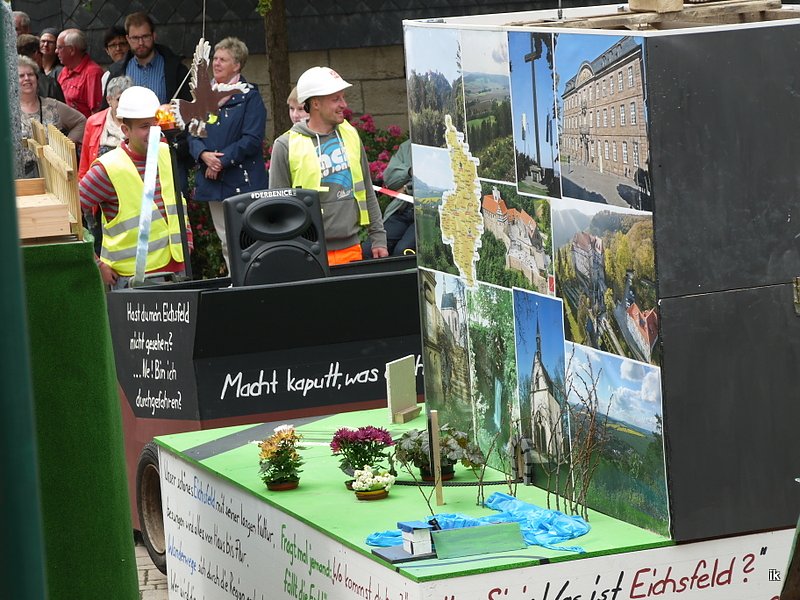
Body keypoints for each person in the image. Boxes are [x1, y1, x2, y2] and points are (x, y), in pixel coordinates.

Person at [269, 66, 387, 266]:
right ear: (315, 103)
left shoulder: (350, 135)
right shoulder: (285, 145)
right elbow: (278, 208)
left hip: (351, 249)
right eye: (336, 99)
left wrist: (379, 238)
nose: (344, 104)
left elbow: (366, 188)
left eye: (342, 97)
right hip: (306, 252)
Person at [79, 86, 191, 289]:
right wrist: (96, 263)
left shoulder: (167, 152)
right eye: (144, 126)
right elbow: (68, 215)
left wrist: (187, 242)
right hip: (133, 281)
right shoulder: (107, 168)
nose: (153, 131)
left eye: (155, 123)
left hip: (178, 270)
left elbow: (177, 203)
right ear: (125, 130)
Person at [188, 37, 267, 271]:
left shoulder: (250, 96)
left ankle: (254, 285)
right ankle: (236, 284)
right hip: (214, 181)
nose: (216, 63)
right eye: (215, 58)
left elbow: (252, 139)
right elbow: (192, 133)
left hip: (242, 181)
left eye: (223, 59)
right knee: (225, 240)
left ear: (237, 65)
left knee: (249, 240)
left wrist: (219, 161)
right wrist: (203, 155)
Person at [105, 12, 193, 194]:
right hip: (131, 151)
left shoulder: (174, 68)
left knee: (174, 199)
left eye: (145, 36)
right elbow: (107, 111)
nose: (140, 43)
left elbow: (189, 110)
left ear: (154, 35)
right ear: (128, 39)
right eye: (135, 38)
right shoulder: (117, 71)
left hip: (168, 150)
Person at [18, 56, 86, 178]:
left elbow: (82, 122)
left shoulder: (53, 106)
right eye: (21, 76)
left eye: (30, 74)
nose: (27, 78)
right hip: (19, 178)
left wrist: (65, 144)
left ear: (37, 79)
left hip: (53, 177)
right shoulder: (8, 112)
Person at [79, 75, 133, 180]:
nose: (123, 104)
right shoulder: (93, 122)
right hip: (99, 185)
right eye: (119, 99)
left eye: (127, 100)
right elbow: (84, 165)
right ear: (109, 100)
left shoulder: (139, 122)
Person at [375, 139, 416, 256]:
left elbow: (431, 183)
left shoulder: (446, 145)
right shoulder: (407, 146)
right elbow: (389, 179)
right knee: (370, 249)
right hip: (401, 209)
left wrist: (406, 188)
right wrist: (410, 171)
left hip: (426, 214)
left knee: (402, 252)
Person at [56, 28, 104, 118]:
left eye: (59, 47)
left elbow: (96, 112)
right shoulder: (64, 71)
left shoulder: (92, 73)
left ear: (71, 50)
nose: (56, 51)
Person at [17, 34, 65, 102]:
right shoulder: (49, 84)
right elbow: (60, 110)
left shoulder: (5, 81)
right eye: (42, 54)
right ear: (37, 54)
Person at [100, 26, 130, 91]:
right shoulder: (107, 76)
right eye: (113, 45)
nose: (118, 48)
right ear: (107, 50)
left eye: (122, 44)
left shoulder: (135, 70)